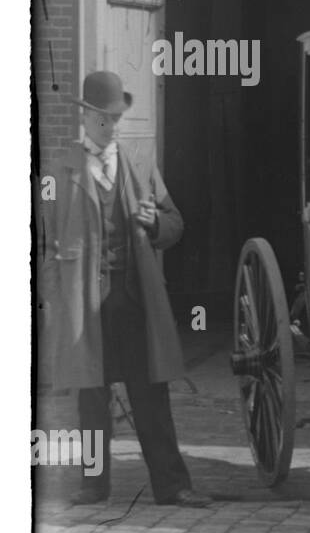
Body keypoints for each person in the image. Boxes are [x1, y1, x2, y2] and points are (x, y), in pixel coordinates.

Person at [39, 71, 211, 507]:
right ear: (86, 118)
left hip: (134, 300)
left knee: (150, 394)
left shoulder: (139, 164)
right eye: (102, 118)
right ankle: (94, 485)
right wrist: (55, 297)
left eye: (116, 118)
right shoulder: (59, 171)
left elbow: (175, 224)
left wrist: (156, 223)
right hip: (84, 306)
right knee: (91, 400)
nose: (110, 126)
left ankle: (173, 486)